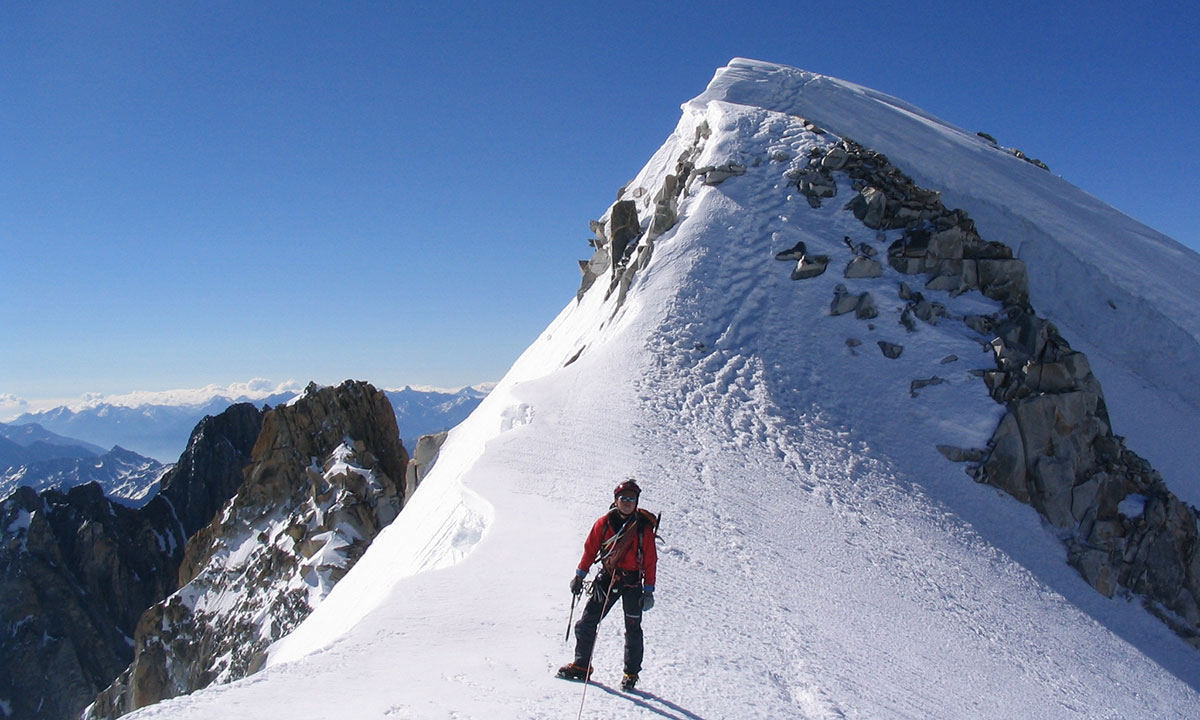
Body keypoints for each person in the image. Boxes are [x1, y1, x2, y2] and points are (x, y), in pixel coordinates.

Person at [557, 479, 658, 691]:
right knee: (587, 623)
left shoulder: (643, 528)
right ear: (616, 500)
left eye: (631, 499)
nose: (627, 502)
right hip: (608, 578)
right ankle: (581, 666)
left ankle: (631, 674)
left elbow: (650, 561)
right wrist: (579, 575)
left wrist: (648, 590)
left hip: (632, 583)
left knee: (632, 628)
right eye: (624, 498)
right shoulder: (604, 524)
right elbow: (590, 550)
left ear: (637, 502)